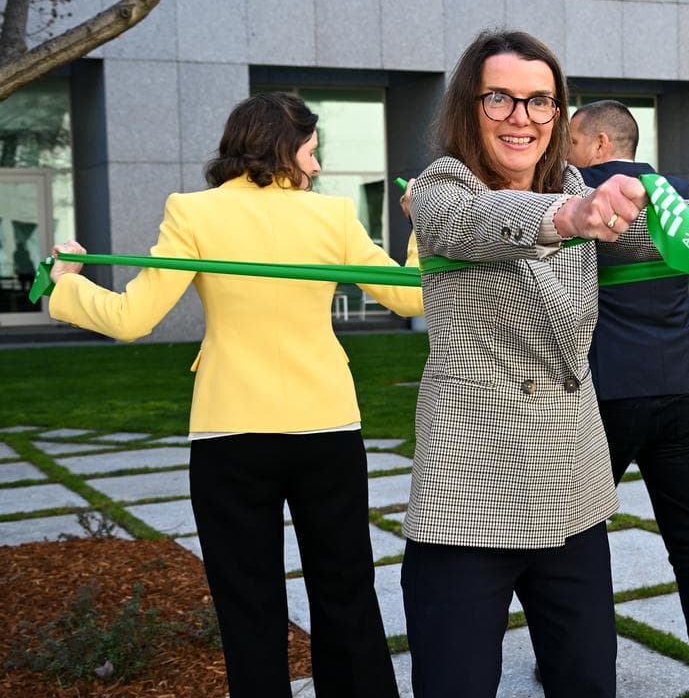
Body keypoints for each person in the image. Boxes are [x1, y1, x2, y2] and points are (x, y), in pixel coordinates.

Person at [399, 29, 689, 698]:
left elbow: (670, 221)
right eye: (501, 100)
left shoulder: (577, 182)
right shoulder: (442, 185)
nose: (523, 118)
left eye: (540, 102)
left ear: (558, 112)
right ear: (469, 106)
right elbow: (475, 220)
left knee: (587, 684)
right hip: (469, 498)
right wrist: (572, 214)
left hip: (573, 494)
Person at [46, 92, 424, 698]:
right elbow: (412, 296)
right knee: (346, 589)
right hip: (326, 427)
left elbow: (130, 319)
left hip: (231, 433)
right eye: (311, 152)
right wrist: (419, 229)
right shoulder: (331, 216)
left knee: (248, 603)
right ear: (283, 150)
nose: (317, 167)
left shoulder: (192, 211)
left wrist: (65, 286)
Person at [567, 99, 689, 698]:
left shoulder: (575, 194)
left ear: (599, 143)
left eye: (571, 141)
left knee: (577, 546)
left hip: (609, 389)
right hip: (682, 383)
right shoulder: (676, 191)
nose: (566, 154)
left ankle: (578, 674)